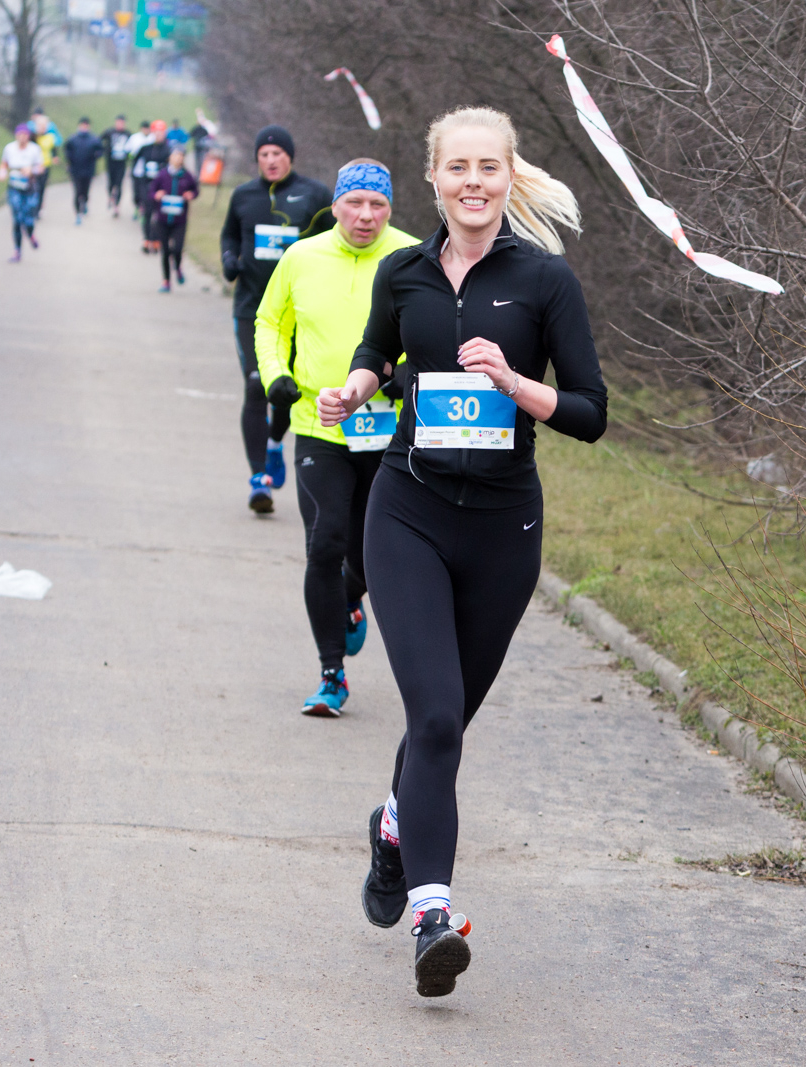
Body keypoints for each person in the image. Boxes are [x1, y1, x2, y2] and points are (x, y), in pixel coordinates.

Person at [316, 107, 607, 997]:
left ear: (508, 177)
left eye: (489, 167)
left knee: (449, 723)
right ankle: (434, 913)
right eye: (458, 168)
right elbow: (376, 349)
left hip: (502, 528)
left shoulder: (545, 281)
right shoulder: (404, 271)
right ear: (434, 178)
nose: (473, 182)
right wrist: (357, 384)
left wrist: (519, 387)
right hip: (407, 510)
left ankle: (395, 826)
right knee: (435, 717)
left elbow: (592, 413)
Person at [255, 160, 417, 715]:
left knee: (375, 555)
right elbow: (270, 323)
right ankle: (332, 674)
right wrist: (276, 376)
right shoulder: (302, 256)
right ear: (337, 205)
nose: (366, 216)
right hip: (317, 423)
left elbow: (442, 333)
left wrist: (406, 376)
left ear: (390, 208)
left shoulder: (414, 256)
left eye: (378, 205)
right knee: (324, 543)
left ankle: (350, 599)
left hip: (391, 430)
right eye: (355, 204)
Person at [219, 125, 333, 513]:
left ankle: (273, 445)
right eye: (264, 154)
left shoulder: (316, 196)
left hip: (301, 311)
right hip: (252, 310)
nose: (270, 160)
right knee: (256, 386)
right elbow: (230, 237)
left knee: (284, 389)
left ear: (290, 156)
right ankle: (258, 480)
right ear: (257, 159)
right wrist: (229, 261)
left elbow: (335, 241)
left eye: (277, 154)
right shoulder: (243, 196)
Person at [151, 148, 198, 292]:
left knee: (177, 249)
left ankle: (177, 268)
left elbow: (196, 190)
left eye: (181, 156)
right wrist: (156, 195)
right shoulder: (162, 175)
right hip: (163, 220)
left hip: (180, 220)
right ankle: (166, 281)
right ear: (169, 158)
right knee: (165, 251)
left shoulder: (187, 176)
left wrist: (191, 194)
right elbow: (151, 192)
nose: (178, 158)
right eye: (175, 155)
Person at [0, 124, 45, 262]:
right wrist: (2, 173)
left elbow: (41, 168)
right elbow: (4, 163)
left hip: (29, 188)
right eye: (20, 134)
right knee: (17, 219)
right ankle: (17, 251)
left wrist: (31, 170)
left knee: (29, 219)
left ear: (28, 136)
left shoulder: (34, 149)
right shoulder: (9, 148)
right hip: (14, 187)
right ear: (16, 135)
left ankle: (31, 235)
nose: (22, 137)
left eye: (25, 135)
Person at [130, 131, 169, 254]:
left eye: (161, 133)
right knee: (147, 213)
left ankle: (156, 239)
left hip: (162, 187)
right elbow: (135, 163)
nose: (159, 136)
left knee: (159, 215)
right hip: (147, 185)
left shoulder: (168, 149)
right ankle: (146, 239)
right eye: (157, 133)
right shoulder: (145, 148)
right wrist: (138, 179)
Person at [64, 117, 101, 225]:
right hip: (75, 170)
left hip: (88, 170)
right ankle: (78, 214)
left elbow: (100, 150)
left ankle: (84, 203)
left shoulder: (94, 139)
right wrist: (69, 161)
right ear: (79, 126)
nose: (84, 127)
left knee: (85, 191)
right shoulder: (72, 139)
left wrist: (96, 155)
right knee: (77, 191)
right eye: (82, 125)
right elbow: (67, 150)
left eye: (86, 125)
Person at [101, 115, 133, 217]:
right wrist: (103, 151)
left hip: (121, 163)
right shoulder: (109, 132)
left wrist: (129, 156)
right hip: (110, 163)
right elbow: (98, 140)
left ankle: (116, 206)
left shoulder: (128, 134)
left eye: (122, 122)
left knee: (119, 184)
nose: (120, 124)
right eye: (118, 122)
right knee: (111, 183)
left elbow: (132, 147)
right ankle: (111, 197)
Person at [31, 111, 61, 214]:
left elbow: (53, 149)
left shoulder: (50, 137)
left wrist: (55, 157)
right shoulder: (33, 137)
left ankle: (38, 208)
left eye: (44, 126)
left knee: (42, 188)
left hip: (46, 166)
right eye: (40, 126)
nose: (42, 128)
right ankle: (32, 206)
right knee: (33, 187)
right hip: (34, 166)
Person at [125, 120, 155, 224]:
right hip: (137, 170)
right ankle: (137, 206)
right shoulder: (134, 138)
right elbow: (128, 152)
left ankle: (144, 211)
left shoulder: (153, 138)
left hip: (149, 173)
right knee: (137, 192)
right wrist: (132, 156)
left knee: (146, 193)